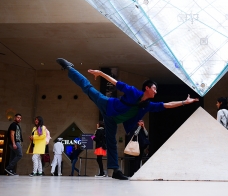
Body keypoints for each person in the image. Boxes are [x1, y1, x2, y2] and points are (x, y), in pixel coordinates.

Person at [56, 58, 199, 180]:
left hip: (112, 119)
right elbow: (115, 82)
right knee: (88, 88)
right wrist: (100, 73)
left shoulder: (147, 105)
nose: (156, 91)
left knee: (111, 141)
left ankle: (116, 171)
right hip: (107, 105)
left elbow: (165, 105)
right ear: (147, 88)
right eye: (154, 88)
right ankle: (69, 68)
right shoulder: (132, 92)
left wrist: (183, 102)